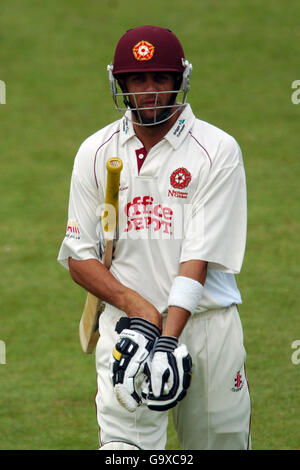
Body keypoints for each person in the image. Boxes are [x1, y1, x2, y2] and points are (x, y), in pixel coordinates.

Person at [57, 25, 251, 450]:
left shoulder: (217, 151)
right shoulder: (95, 151)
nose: (149, 91)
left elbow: (197, 258)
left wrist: (167, 337)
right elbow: (78, 254)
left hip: (204, 329)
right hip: (128, 330)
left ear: (179, 80)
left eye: (160, 78)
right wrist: (137, 310)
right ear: (121, 84)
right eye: (138, 80)